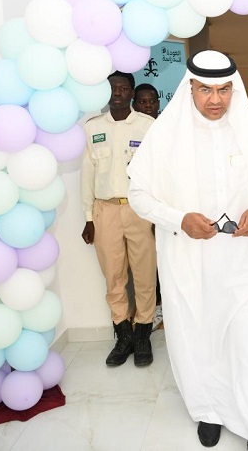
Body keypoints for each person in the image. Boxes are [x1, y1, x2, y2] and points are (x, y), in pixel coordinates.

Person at [127, 50, 248, 451]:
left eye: (224, 90)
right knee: (197, 338)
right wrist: (178, 219)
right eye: (205, 90)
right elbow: (138, 194)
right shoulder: (165, 134)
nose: (215, 100)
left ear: (234, 90)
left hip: (242, 258)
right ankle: (210, 411)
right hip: (189, 260)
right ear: (190, 89)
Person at [81, 71, 157, 367]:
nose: (117, 93)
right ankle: (123, 335)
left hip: (140, 210)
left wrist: (157, 214)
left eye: (123, 88)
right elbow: (87, 173)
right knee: (113, 277)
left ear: (131, 93)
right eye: (112, 88)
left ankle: (143, 334)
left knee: (145, 274)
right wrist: (88, 217)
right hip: (105, 210)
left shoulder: (147, 126)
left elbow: (158, 174)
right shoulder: (93, 127)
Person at [132, 83, 164, 331]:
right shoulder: (131, 128)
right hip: (138, 205)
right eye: (142, 102)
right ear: (135, 105)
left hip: (165, 205)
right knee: (147, 264)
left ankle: (166, 305)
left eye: (152, 101)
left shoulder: (168, 128)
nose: (148, 106)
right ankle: (153, 309)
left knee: (166, 259)